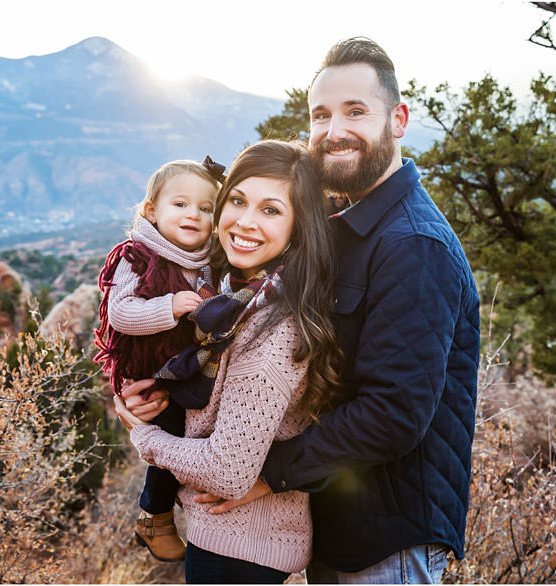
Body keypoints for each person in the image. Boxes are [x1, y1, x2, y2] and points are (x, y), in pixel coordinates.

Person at [196, 38, 481, 584]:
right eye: (320, 115)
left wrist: (267, 472)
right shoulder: (338, 231)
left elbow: (393, 415)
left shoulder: (413, 245)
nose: (334, 130)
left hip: (387, 545)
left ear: (397, 120)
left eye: (356, 111)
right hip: (337, 532)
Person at [115, 140, 341, 584]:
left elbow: (227, 471)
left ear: (300, 225)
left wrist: (144, 436)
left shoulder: (273, 326)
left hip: (241, 549)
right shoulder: (231, 297)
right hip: (227, 535)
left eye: (271, 210)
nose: (245, 221)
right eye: (237, 201)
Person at [93, 158, 222, 562]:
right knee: (169, 433)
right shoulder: (138, 256)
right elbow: (120, 312)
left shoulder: (209, 260)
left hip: (187, 366)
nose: (193, 215)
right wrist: (169, 306)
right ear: (151, 210)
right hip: (152, 369)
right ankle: (155, 514)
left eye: (205, 208)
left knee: (195, 429)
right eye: (180, 204)